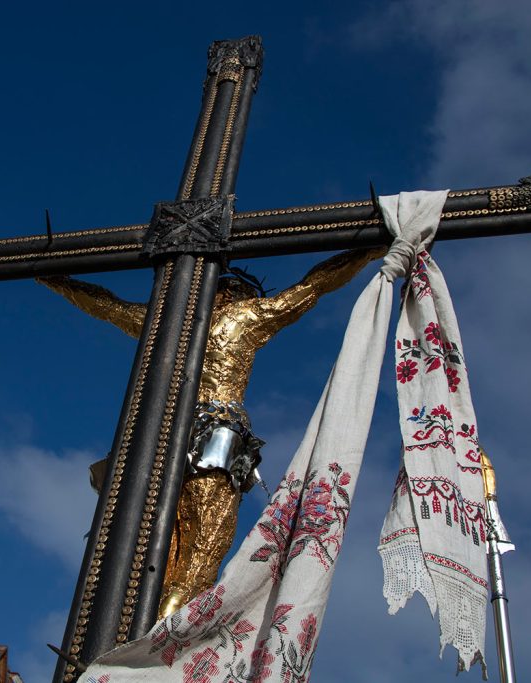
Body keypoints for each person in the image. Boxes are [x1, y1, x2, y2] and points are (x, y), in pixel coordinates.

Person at [38, 246, 384, 617]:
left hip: (154, 445)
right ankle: (153, 655)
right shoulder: (245, 318)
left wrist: (54, 279)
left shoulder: (168, 323)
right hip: (215, 442)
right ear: (237, 294)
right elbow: (313, 285)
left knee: (133, 568)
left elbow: (106, 305)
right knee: (195, 568)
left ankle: (121, 642)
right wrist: (366, 252)